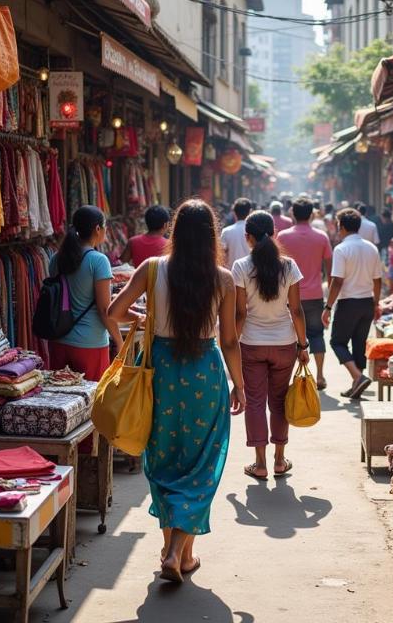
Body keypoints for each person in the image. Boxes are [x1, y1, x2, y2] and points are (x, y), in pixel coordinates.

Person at [108, 199, 245, 583]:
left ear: (175, 231)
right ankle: (176, 553)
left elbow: (115, 313)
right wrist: (239, 383)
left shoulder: (152, 269)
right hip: (205, 374)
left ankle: (180, 555)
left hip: (163, 374)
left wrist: (146, 316)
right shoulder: (223, 279)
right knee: (201, 465)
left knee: (165, 460)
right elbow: (231, 341)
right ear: (211, 236)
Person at [233, 211, 309, 480]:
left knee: (255, 402)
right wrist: (303, 345)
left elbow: (240, 314)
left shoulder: (241, 267)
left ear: (248, 237)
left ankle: (260, 464)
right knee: (278, 402)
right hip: (284, 344)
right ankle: (279, 460)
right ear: (274, 233)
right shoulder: (288, 266)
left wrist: (231, 345)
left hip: (251, 344)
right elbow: (296, 310)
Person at [48, 205, 123, 380]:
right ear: (98, 228)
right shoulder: (98, 261)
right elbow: (105, 310)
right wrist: (119, 341)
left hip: (58, 341)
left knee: (63, 400)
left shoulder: (56, 259)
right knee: (93, 402)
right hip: (90, 343)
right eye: (105, 226)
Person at [322, 208, 383, 399]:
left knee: (337, 342)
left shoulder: (341, 249)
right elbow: (378, 279)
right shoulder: (371, 247)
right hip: (366, 302)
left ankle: (357, 376)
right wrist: (376, 302)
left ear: (342, 227)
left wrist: (328, 306)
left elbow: (337, 280)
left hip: (349, 302)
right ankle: (356, 383)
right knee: (359, 344)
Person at [277, 197, 333, 390]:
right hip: (315, 294)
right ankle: (319, 376)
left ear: (292, 213)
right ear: (311, 214)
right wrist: (329, 295)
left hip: (288, 296)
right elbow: (329, 268)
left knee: (291, 336)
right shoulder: (321, 236)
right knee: (316, 335)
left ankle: (294, 376)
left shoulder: (282, 237)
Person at [221, 197, 252, 268]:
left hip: (232, 274)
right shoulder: (255, 230)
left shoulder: (226, 231)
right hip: (251, 274)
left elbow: (222, 254)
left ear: (234, 213)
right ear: (250, 212)